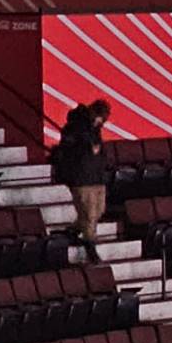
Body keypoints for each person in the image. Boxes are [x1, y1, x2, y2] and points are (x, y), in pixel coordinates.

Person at [51, 99, 109, 258]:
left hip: (96, 176)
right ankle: (90, 246)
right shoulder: (74, 128)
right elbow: (69, 150)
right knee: (89, 214)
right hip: (81, 177)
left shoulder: (95, 129)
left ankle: (73, 230)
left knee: (98, 211)